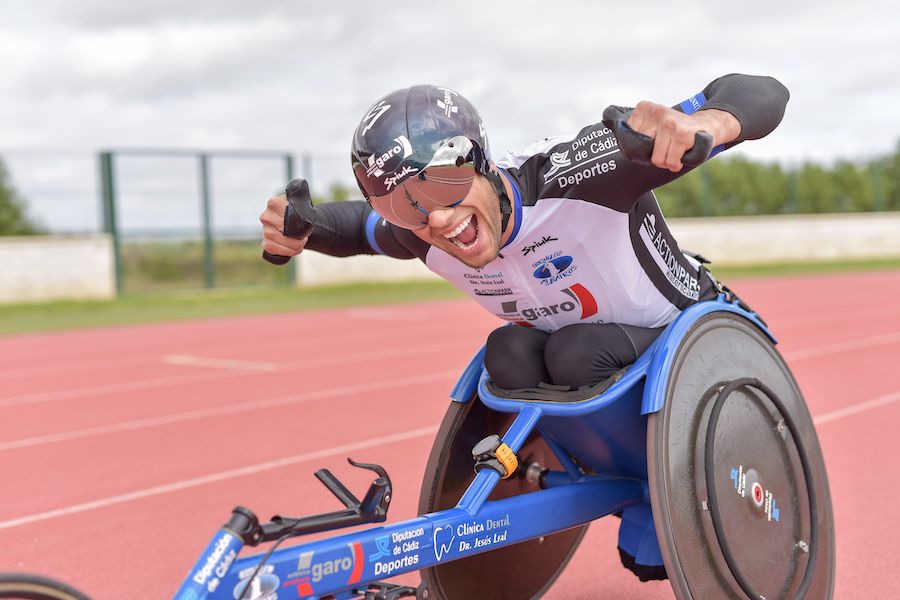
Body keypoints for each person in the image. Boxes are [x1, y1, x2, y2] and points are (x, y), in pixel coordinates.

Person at [259, 75, 789, 580]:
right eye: (406, 203)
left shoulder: (580, 174)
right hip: (603, 372)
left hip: (702, 350)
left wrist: (711, 123)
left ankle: (663, 484)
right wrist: (303, 227)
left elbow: (764, 93)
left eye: (447, 182)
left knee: (578, 352)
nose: (438, 219)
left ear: (480, 160)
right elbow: (358, 227)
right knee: (507, 355)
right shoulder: (420, 231)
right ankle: (636, 488)